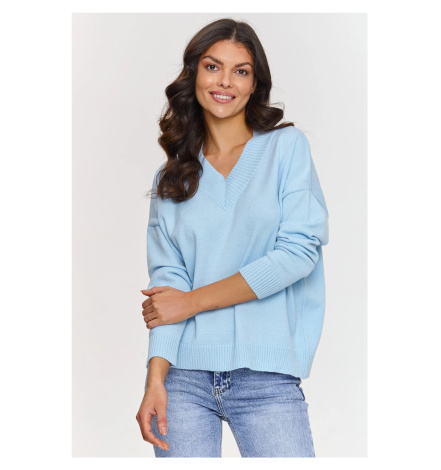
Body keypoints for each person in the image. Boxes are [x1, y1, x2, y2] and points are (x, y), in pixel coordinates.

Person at [135, 18, 329, 458]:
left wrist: (192, 302)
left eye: (241, 71)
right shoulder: (172, 176)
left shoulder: (286, 148)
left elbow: (298, 254)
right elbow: (169, 285)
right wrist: (155, 380)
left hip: (266, 377)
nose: (225, 81)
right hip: (183, 379)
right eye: (212, 67)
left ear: (254, 84)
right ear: (193, 75)